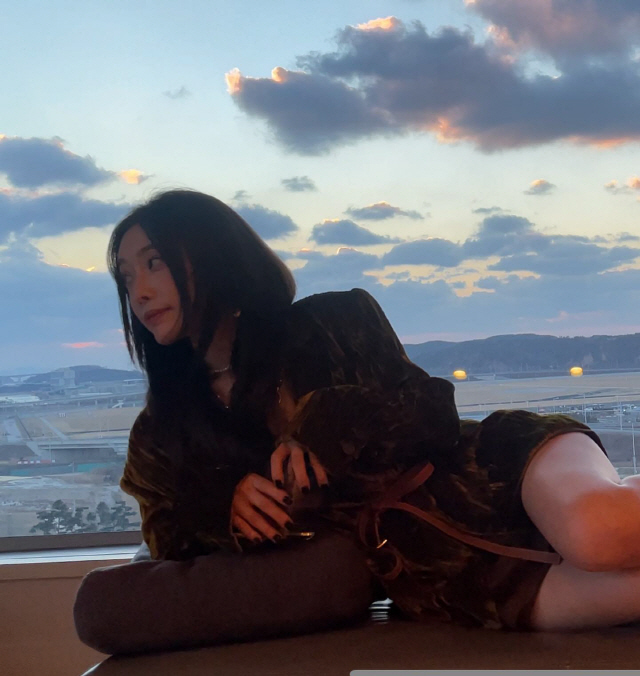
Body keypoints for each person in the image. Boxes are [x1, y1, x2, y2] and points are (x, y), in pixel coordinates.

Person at [107, 189, 640, 635]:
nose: (140, 292)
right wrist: (221, 504)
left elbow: (434, 414)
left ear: (212, 255)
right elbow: (166, 536)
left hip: (501, 470)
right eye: (127, 277)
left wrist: (330, 422)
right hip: (447, 580)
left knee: (595, 535)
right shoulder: (162, 432)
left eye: (154, 263)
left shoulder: (333, 321)